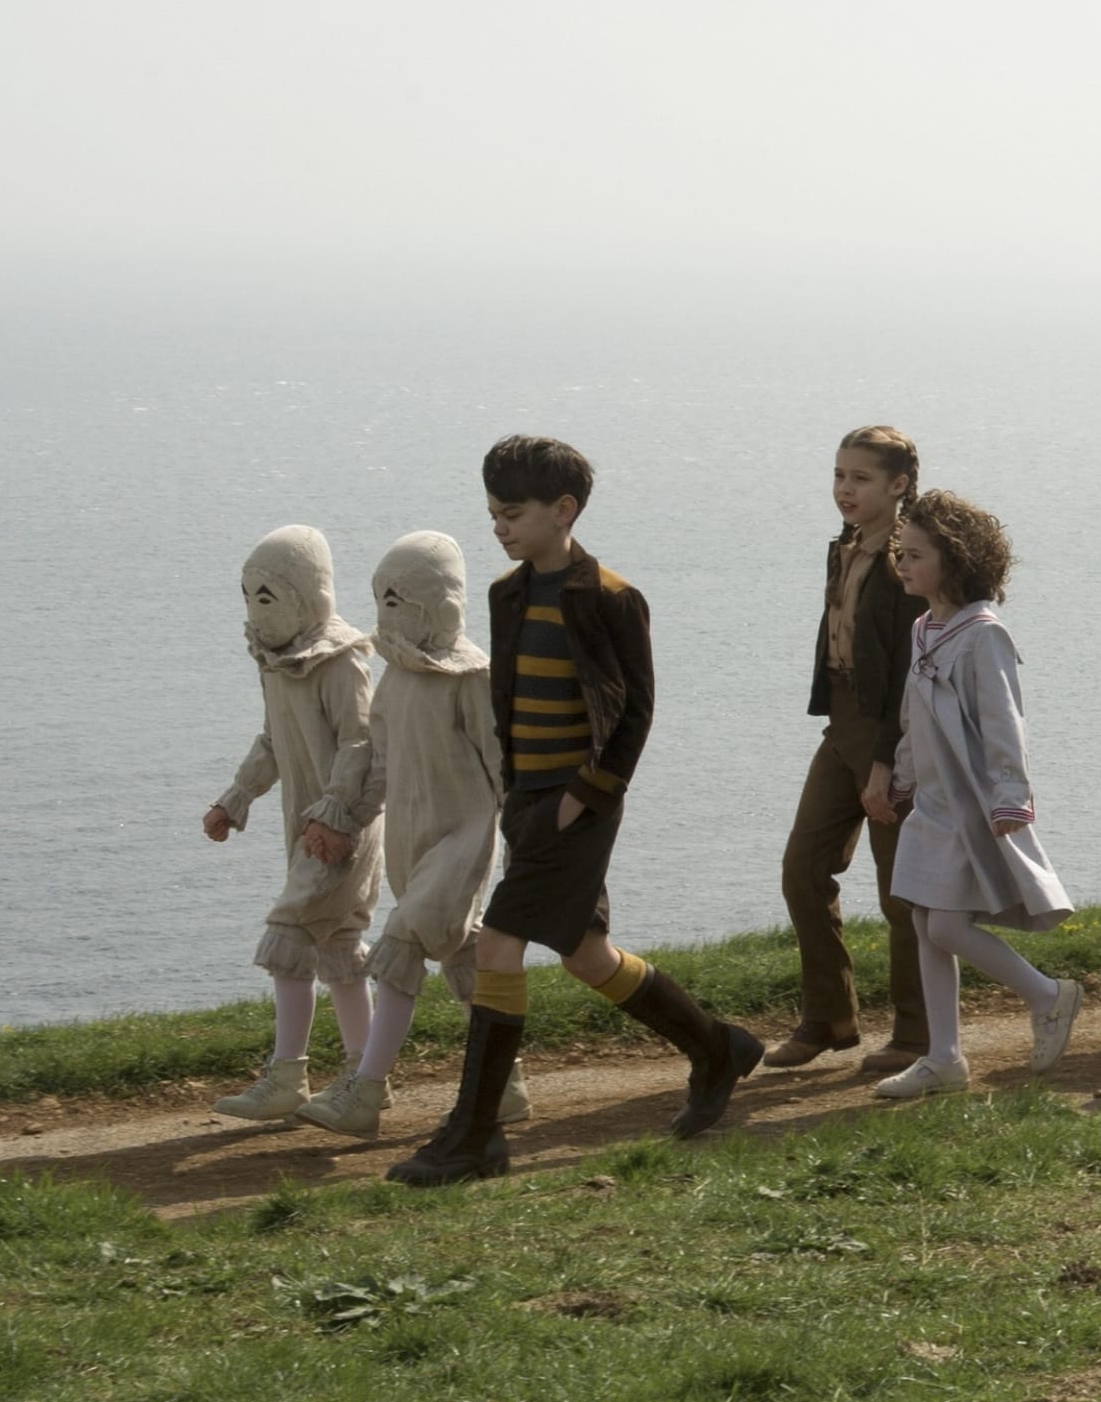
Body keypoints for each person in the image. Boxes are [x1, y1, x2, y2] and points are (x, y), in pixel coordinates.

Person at [389, 436, 763, 1188]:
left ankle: (475, 1135)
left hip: (579, 805)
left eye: (515, 513)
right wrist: (517, 797)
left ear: (564, 511)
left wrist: (582, 797)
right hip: (526, 802)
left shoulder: (613, 598)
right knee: (586, 956)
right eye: (493, 514)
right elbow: (506, 706)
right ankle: (717, 1047)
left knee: (497, 946)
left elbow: (637, 715)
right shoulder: (506, 595)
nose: (501, 527)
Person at [297, 531, 522, 1137]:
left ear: (439, 604)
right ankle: (505, 1083)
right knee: (464, 954)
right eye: (383, 601)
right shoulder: (394, 681)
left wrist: (522, 835)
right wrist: (341, 816)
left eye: (401, 601)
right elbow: (377, 765)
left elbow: (504, 763)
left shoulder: (472, 680)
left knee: (401, 942)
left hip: (461, 839)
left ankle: (365, 1090)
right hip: (410, 842)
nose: (388, 616)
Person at [876, 491, 1082, 1097]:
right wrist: (904, 776)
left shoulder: (982, 635)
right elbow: (916, 713)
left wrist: (1011, 796)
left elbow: (1003, 720)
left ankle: (1048, 994)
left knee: (944, 925)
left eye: (915, 555)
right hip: (933, 803)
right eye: (901, 553)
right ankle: (945, 1057)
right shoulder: (925, 629)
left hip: (969, 805)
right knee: (923, 920)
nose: (903, 565)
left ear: (955, 560)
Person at [200, 525, 383, 1123]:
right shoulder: (274, 661)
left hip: (343, 825)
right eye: (248, 594)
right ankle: (364, 1074)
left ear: (307, 595)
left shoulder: (342, 661)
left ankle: (288, 1075)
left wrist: (336, 815)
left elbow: (361, 745)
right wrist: (237, 797)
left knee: (289, 933)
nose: (255, 609)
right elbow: (273, 741)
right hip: (305, 825)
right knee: (338, 948)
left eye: (268, 595)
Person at [772, 426, 932, 1074]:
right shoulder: (844, 546)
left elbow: (905, 675)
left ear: (898, 486)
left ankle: (918, 1035)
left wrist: (885, 762)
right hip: (841, 727)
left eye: (860, 479)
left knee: (902, 894)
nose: (844, 489)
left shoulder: (903, 564)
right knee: (803, 869)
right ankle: (829, 1016)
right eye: (839, 475)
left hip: (887, 736)